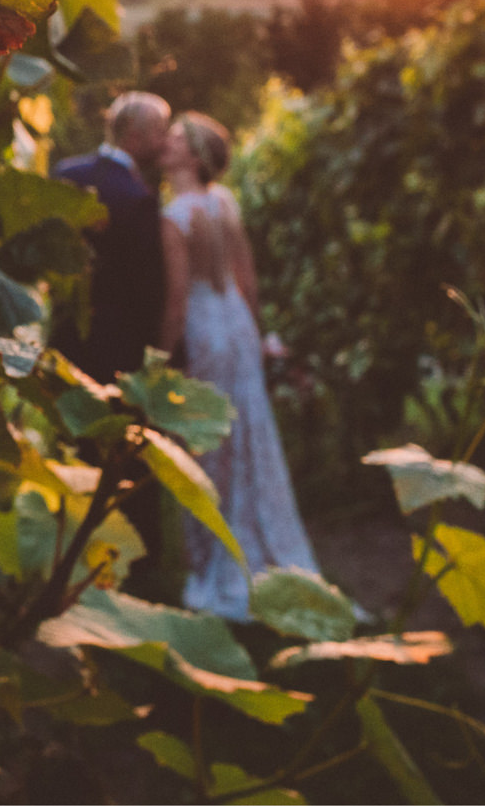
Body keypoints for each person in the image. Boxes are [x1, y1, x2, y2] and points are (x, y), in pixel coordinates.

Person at [157, 111, 321, 621]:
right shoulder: (225, 203)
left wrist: (158, 362)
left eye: (177, 140)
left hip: (205, 333)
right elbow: (248, 282)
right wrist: (260, 337)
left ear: (195, 156)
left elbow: (178, 303)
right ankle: (262, 542)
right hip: (239, 329)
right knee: (249, 433)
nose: (166, 145)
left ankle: (215, 556)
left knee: (209, 444)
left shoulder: (174, 217)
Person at [52, 91, 171, 382]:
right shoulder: (138, 197)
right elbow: (146, 285)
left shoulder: (66, 173)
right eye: (160, 133)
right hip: (116, 343)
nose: (165, 142)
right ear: (133, 137)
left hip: (63, 331)